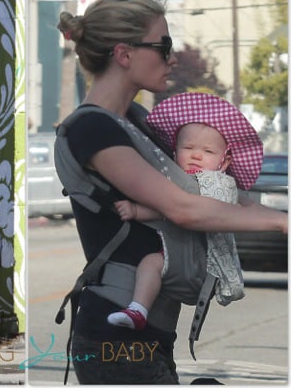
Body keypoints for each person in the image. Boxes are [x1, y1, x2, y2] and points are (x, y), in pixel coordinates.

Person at [56, 0, 287, 384]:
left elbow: (211, 190)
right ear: (124, 54)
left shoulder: (137, 120)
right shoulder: (90, 129)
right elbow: (182, 208)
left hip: (154, 332)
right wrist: (280, 223)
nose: (172, 57)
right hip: (115, 337)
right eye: (163, 46)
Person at [109, 92, 263, 330]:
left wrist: (137, 211)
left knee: (151, 263)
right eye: (188, 147)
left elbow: (174, 208)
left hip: (200, 259)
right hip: (180, 252)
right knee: (151, 263)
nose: (196, 155)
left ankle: (138, 308)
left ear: (225, 161)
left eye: (208, 152)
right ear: (173, 152)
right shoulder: (176, 180)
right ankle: (138, 311)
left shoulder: (219, 184)